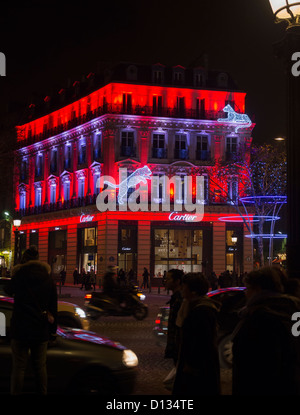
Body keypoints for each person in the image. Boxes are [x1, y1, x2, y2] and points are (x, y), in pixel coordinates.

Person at [232, 266, 300, 395]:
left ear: (258, 289)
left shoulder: (261, 317)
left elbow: (259, 366)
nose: (245, 293)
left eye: (248, 288)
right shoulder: (291, 311)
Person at [4, 246, 57, 395]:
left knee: (19, 368)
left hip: (20, 327)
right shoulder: (47, 278)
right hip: (40, 328)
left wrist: (16, 270)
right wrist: (52, 332)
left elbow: (7, 290)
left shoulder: (20, 275)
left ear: (24, 259)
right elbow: (54, 307)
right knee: (40, 367)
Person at [172, 272, 220, 396]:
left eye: (185, 286)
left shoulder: (202, 311)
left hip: (198, 371)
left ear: (193, 290)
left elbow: (203, 343)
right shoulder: (189, 306)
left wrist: (191, 366)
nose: (182, 289)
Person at [164, 269, 184, 365]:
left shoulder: (180, 299)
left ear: (177, 281)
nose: (165, 281)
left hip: (180, 346)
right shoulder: (176, 298)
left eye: (168, 279)